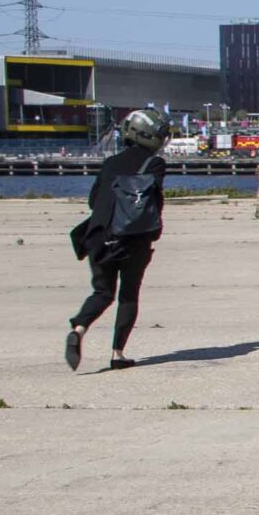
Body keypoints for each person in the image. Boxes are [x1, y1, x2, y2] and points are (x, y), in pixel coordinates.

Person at [66, 108, 170, 371]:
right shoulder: (154, 165)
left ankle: (78, 328)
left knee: (102, 292)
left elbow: (93, 201)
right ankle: (117, 353)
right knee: (128, 295)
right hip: (133, 240)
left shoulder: (110, 163)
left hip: (98, 237)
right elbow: (153, 204)